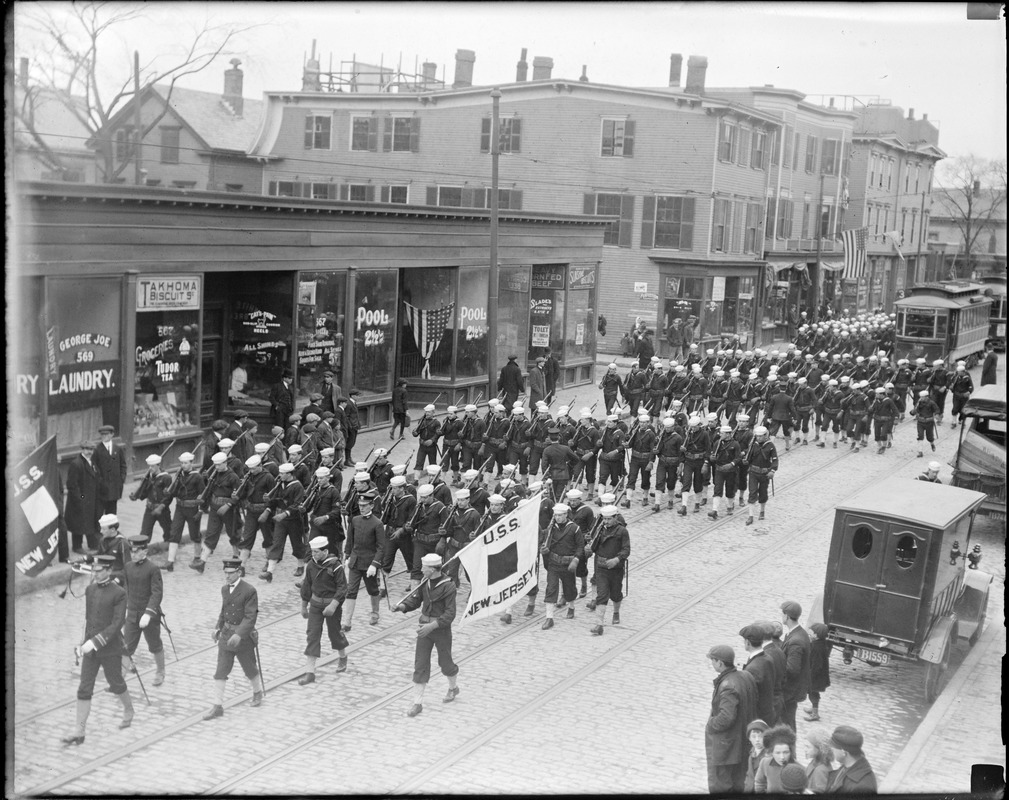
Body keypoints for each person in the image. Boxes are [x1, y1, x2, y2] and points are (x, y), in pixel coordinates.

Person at [61, 554, 135, 745]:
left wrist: (94, 642)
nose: (96, 573)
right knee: (84, 687)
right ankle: (79, 731)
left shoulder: (119, 593)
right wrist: (82, 643)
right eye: (94, 570)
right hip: (91, 650)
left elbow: (117, 623)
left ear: (109, 570)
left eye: (100, 570)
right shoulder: (90, 590)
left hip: (110, 648)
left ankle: (128, 709)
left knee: (116, 682)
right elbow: (88, 621)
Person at [393, 552, 460, 717]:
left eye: (424, 567)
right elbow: (416, 600)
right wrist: (402, 607)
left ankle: (453, 687)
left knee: (445, 663)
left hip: (441, 630)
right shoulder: (425, 582)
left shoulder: (448, 586)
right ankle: (417, 703)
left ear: (433, 569)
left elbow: (450, 614)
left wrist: (431, 627)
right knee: (420, 665)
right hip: (424, 628)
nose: (422, 570)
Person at [203, 559, 264, 720]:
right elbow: (224, 611)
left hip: (243, 638)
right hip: (226, 635)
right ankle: (217, 706)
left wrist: (239, 634)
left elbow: (250, 617)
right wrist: (217, 628)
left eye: (230, 573)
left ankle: (257, 692)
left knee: (249, 668)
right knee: (221, 670)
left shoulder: (249, 590)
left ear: (239, 572)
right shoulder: (225, 589)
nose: (227, 576)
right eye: (225, 573)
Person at [705, 644, 758, 793]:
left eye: (713, 660)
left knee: (720, 784)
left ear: (720, 663)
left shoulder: (727, 685)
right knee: (738, 782)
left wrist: (710, 724)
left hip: (725, 747)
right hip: (741, 742)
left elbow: (725, 718)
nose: (712, 663)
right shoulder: (745, 676)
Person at [298, 536, 349, 685]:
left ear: (325, 551)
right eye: (313, 552)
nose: (314, 555)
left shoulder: (336, 566)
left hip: (331, 607)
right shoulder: (311, 565)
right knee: (312, 635)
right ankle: (310, 672)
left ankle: (342, 656)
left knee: (334, 633)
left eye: (317, 552)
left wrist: (333, 605)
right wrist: (303, 606)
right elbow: (306, 585)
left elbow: (342, 588)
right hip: (315, 605)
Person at [122, 535, 167, 686]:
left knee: (155, 645)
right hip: (133, 615)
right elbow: (126, 589)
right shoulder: (128, 567)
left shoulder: (152, 569)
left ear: (145, 551)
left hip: (149, 616)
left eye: (136, 551)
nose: (133, 554)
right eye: (131, 551)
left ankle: (160, 671)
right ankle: (119, 678)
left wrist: (148, 613)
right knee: (126, 647)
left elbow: (157, 593)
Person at [342, 493, 386, 630]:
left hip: (369, 564)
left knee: (372, 590)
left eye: (364, 506)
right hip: (355, 562)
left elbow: (381, 547)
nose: (361, 508)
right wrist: (347, 555)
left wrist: (375, 564)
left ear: (371, 506)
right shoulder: (355, 520)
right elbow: (350, 540)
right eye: (360, 505)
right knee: (351, 591)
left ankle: (375, 613)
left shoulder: (377, 524)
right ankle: (347, 621)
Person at [260, 462, 309, 583]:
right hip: (280, 520)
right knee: (276, 543)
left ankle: (300, 566)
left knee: (297, 544)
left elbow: (297, 504)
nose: (280, 475)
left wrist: (285, 513)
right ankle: (270, 572)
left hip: (294, 520)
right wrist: (268, 504)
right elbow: (275, 501)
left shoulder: (297, 486)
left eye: (282, 473)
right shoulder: (280, 484)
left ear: (289, 474)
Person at [584, 504, 629, 635]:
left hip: (616, 569)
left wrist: (617, 559)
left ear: (615, 518)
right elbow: (594, 548)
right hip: (602, 568)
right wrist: (588, 547)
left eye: (609, 519)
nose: (606, 521)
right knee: (602, 595)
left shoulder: (622, 531)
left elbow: (626, 549)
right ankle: (599, 624)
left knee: (615, 594)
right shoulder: (600, 530)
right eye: (604, 519)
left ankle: (616, 611)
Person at [540, 503, 585, 630]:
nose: (558, 518)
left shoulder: (574, 528)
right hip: (554, 563)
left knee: (569, 588)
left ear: (566, 515)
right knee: (551, 588)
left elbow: (580, 546)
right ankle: (549, 618)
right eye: (556, 515)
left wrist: (576, 559)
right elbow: (545, 542)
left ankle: (571, 606)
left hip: (568, 564)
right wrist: (543, 549)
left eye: (560, 515)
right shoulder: (551, 529)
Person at [163, 450, 205, 572]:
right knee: (174, 533)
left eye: (186, 463)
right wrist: (169, 491)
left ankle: (197, 558)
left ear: (191, 463)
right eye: (182, 463)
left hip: (192, 509)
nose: (183, 465)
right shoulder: (179, 475)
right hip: (179, 508)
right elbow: (176, 491)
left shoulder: (197, 476)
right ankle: (170, 561)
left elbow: (203, 495)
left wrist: (201, 511)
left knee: (194, 534)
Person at [780, 600, 811, 732]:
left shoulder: (796, 641)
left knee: (786, 723)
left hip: (789, 691)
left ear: (786, 616)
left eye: (782, 614)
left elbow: (792, 669)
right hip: (792, 690)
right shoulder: (798, 633)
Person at [66, 440, 102, 554]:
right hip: (79, 500)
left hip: (91, 499)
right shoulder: (76, 464)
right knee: (79, 523)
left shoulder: (91, 462)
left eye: (91, 450)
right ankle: (77, 546)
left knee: (89, 521)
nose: (89, 452)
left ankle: (93, 544)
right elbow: (72, 485)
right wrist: (81, 497)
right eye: (87, 449)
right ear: (82, 450)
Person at [740, 624, 777, 729]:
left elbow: (749, 696)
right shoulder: (767, 658)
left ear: (748, 642)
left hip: (757, 717)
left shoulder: (753, 668)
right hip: (767, 711)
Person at [825, 725, 878, 793]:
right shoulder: (847, 766)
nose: (831, 749)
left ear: (844, 753)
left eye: (833, 747)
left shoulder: (862, 788)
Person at [744, 426, 777, 526]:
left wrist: (773, 470)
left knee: (763, 493)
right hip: (753, 472)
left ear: (765, 436)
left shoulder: (770, 446)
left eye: (760, 436)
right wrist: (745, 460)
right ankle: (751, 516)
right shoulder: (753, 445)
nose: (758, 438)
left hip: (764, 474)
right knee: (752, 492)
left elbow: (775, 460)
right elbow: (749, 457)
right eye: (757, 436)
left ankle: (762, 510)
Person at [753, 724, 798, 793]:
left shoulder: (799, 769)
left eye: (785, 752)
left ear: (791, 751)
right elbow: (759, 783)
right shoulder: (765, 763)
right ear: (772, 753)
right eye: (777, 753)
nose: (782, 757)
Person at [94, 424, 127, 514]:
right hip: (102, 487)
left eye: (107, 434)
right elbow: (94, 467)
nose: (104, 436)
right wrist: (99, 481)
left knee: (112, 511)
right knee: (99, 512)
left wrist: (121, 479)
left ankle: (112, 528)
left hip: (114, 486)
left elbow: (123, 465)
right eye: (102, 435)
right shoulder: (96, 450)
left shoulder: (117, 449)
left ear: (112, 434)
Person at [805, 623, 832, 722]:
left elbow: (817, 665)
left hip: (816, 676)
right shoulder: (821, 643)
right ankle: (813, 708)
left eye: (811, 632)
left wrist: (810, 676)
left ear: (816, 635)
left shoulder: (817, 648)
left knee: (813, 693)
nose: (809, 634)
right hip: (818, 675)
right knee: (814, 692)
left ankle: (815, 713)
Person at [803, 725, 836, 793]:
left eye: (808, 747)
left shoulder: (820, 770)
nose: (805, 749)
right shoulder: (816, 760)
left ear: (820, 749)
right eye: (804, 746)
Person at [909, 389, 939, 458]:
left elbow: (937, 409)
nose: (921, 398)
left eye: (922, 397)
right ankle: (920, 451)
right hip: (920, 422)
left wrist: (936, 414)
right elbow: (915, 410)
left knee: (930, 437)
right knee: (920, 436)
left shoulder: (932, 403)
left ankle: (932, 443)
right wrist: (913, 412)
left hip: (929, 422)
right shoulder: (919, 403)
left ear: (926, 397)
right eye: (920, 397)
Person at [744, 719, 770, 792]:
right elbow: (749, 776)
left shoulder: (768, 756)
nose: (757, 740)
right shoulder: (752, 752)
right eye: (753, 737)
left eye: (760, 736)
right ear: (749, 738)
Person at [948, 361, 975, 427]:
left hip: (964, 396)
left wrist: (969, 392)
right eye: (958, 372)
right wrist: (951, 387)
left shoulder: (967, 378)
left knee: (963, 409)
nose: (958, 373)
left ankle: (962, 420)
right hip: (956, 395)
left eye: (960, 372)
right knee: (955, 408)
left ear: (963, 372)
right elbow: (951, 383)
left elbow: (971, 386)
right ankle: (954, 421)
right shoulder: (955, 377)